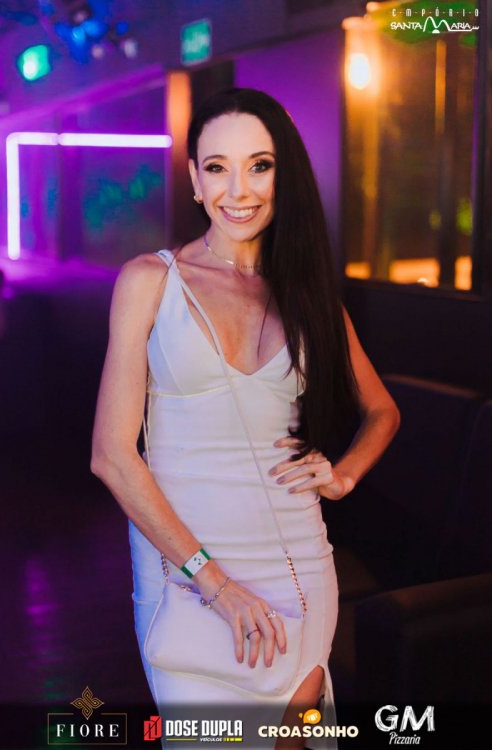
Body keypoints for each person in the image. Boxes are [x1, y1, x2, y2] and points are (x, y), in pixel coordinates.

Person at [91, 87, 400, 749]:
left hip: (298, 565)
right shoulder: (150, 281)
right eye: (218, 167)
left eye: (259, 165)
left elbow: (382, 410)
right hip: (186, 570)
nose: (240, 189)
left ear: (283, 175)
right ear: (195, 180)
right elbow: (112, 457)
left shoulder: (308, 296)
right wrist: (215, 583)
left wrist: (343, 476)